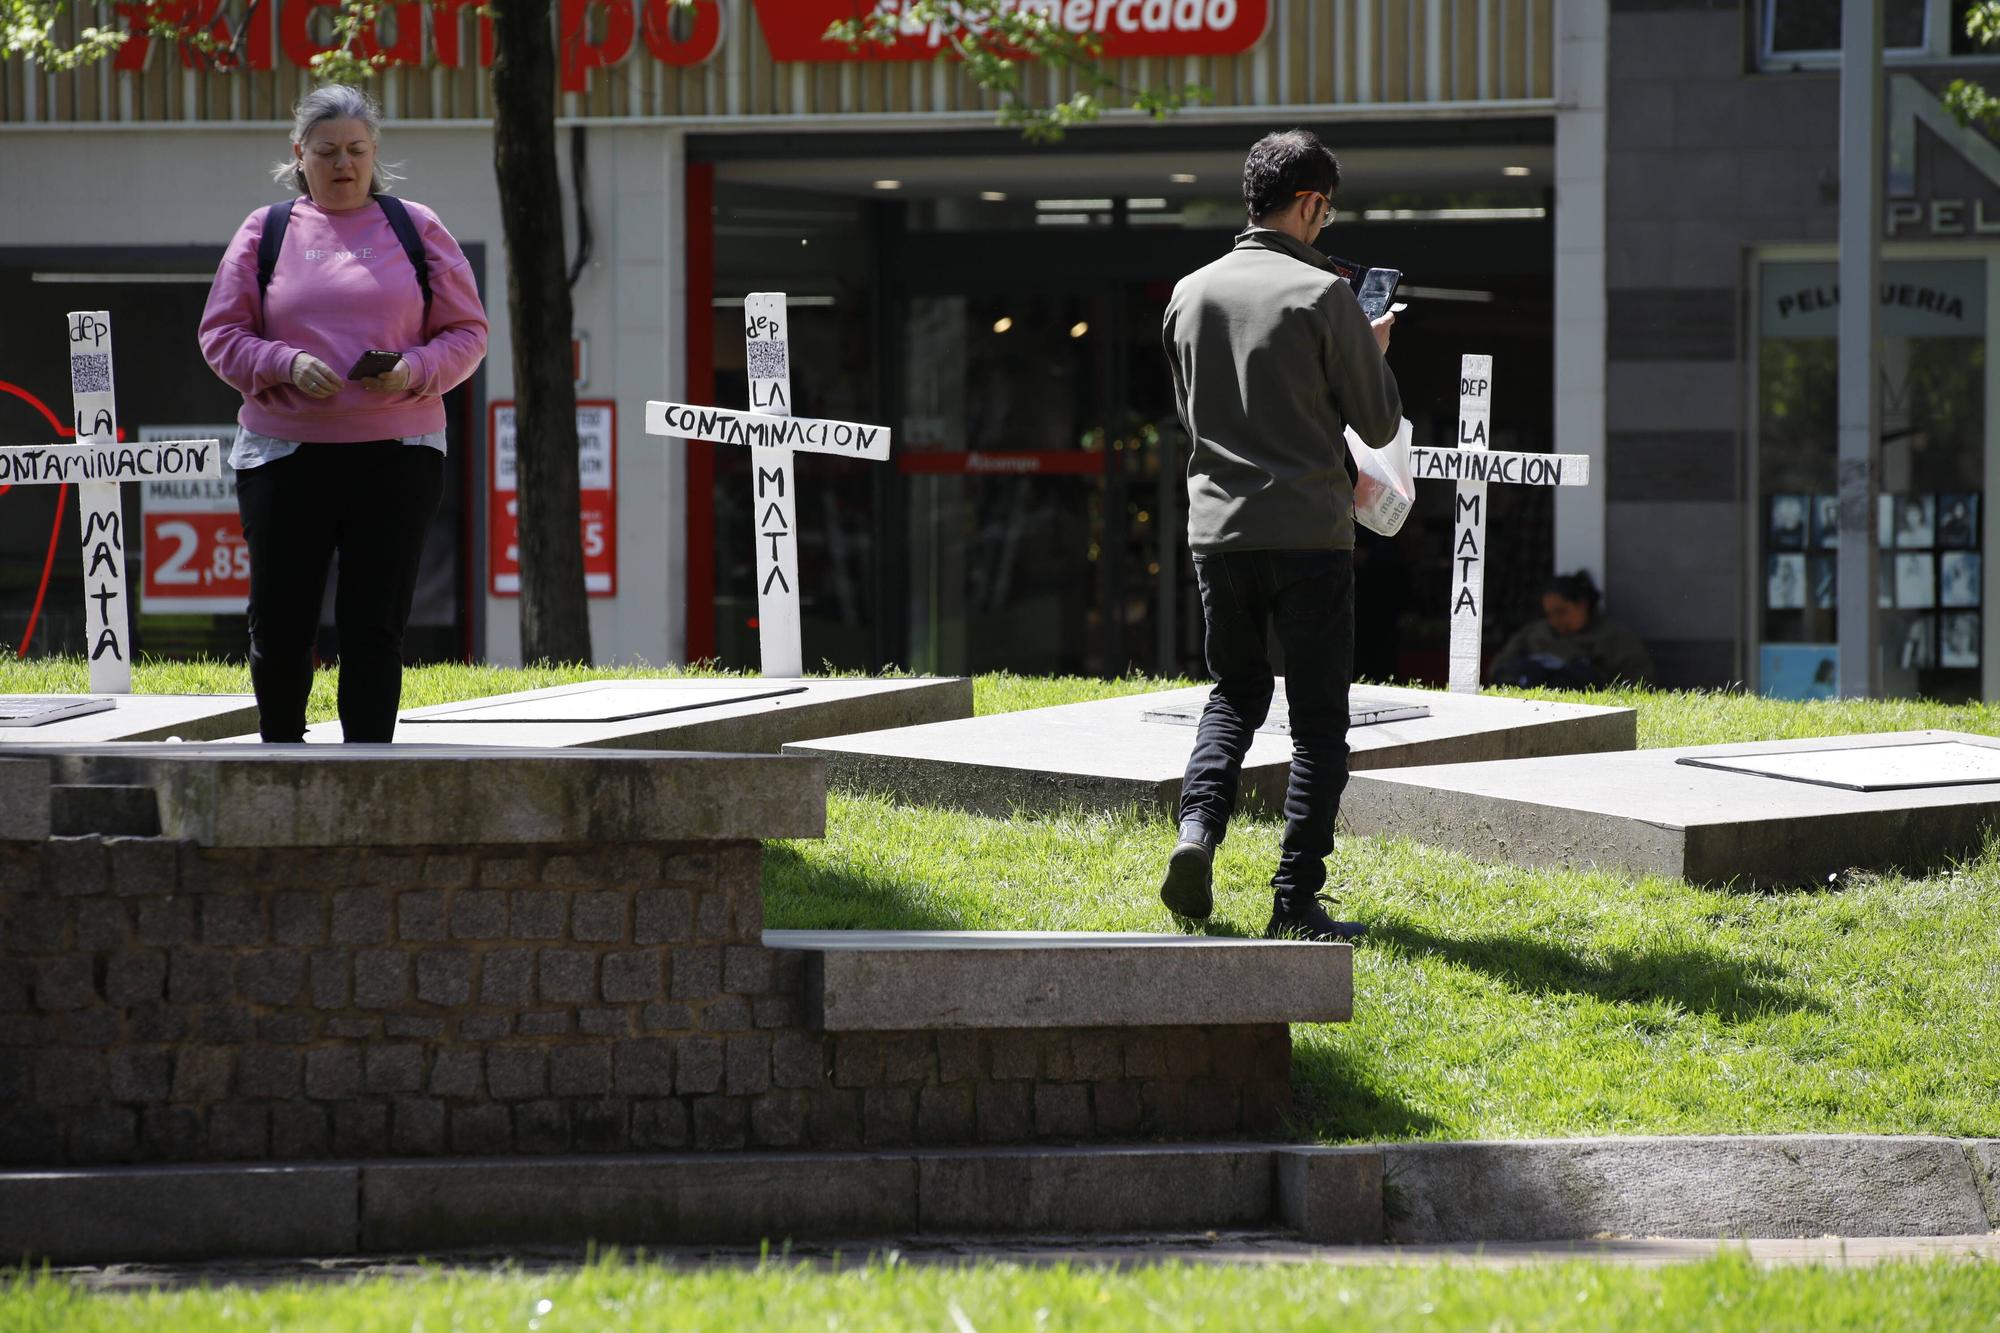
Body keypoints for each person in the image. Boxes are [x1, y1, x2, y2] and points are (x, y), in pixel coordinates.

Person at [1156, 129, 1401, 943]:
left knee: (1234, 691)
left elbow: (1192, 416)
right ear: (1308, 202)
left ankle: (1197, 833)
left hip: (1217, 532)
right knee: (1316, 717)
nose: (1325, 227)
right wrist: (1373, 350)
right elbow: (1378, 419)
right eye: (1325, 211)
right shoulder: (1324, 295)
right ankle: (1294, 900)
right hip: (1309, 532)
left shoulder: (1188, 295)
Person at [199, 85, 487, 743]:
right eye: (326, 152)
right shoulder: (265, 230)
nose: (343, 165)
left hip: (398, 456)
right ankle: (279, 759)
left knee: (374, 624)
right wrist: (283, 364)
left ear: (375, 152)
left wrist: (412, 370)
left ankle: (366, 769)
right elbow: (220, 334)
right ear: (299, 154)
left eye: (356, 150)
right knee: (281, 621)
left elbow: (468, 331)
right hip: (283, 456)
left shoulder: (416, 227)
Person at [1490, 571, 1653, 688]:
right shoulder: (1533, 634)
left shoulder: (1617, 640)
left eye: (1561, 612)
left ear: (1583, 604)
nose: (1555, 620)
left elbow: (1641, 686)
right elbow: (1499, 669)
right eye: (1549, 614)